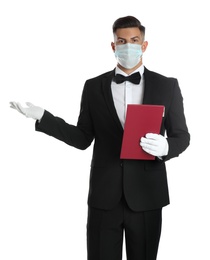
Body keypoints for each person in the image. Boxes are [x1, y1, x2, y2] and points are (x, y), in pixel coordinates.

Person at [10, 15, 190, 260]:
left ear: (144, 45)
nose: (128, 46)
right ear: (113, 46)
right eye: (122, 41)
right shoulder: (93, 86)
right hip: (105, 196)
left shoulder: (167, 86)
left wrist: (166, 146)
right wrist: (44, 117)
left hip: (147, 195)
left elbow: (182, 136)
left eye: (134, 40)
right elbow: (83, 138)